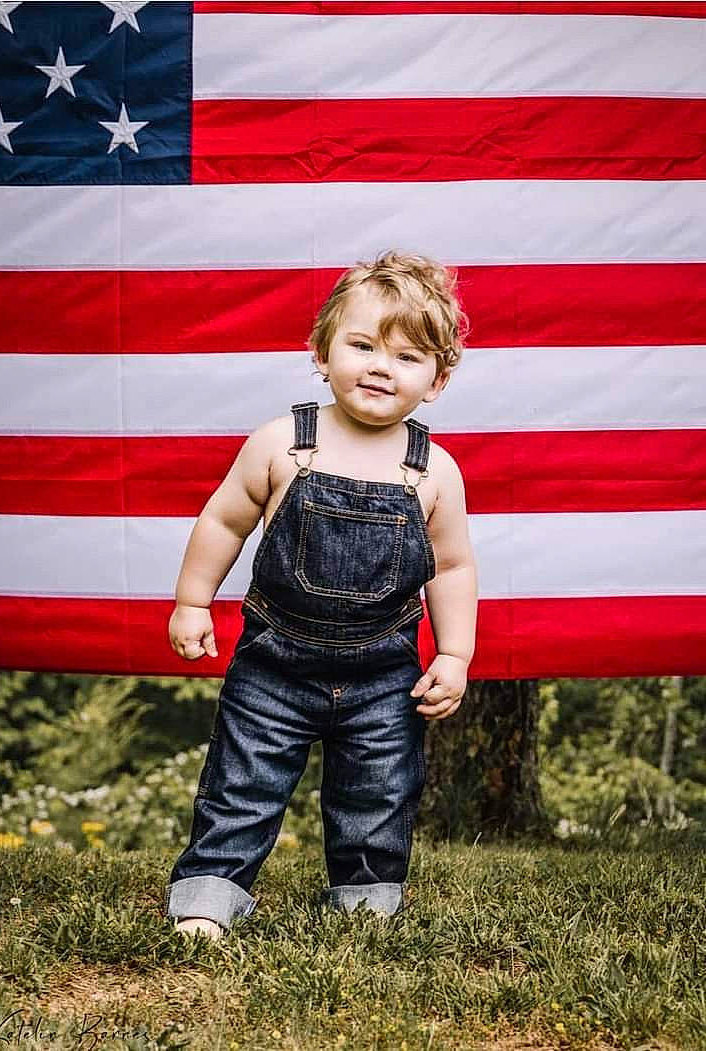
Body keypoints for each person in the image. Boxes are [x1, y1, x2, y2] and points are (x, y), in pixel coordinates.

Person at [164, 250, 479, 940]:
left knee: (379, 789)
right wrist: (193, 600)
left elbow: (451, 567)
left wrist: (453, 654)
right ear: (322, 350)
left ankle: (365, 896)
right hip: (274, 663)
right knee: (242, 782)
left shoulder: (432, 470)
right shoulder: (285, 443)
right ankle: (211, 893)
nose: (378, 366)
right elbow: (223, 519)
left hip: (383, 673)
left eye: (405, 356)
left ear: (437, 380)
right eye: (361, 345)